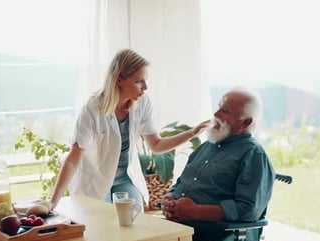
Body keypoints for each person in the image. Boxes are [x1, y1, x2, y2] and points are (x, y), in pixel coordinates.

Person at [49, 49, 209, 210]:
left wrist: (192, 133)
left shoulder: (143, 103)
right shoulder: (92, 108)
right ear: (119, 80)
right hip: (95, 181)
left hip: (126, 180)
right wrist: (53, 202)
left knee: (133, 220)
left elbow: (156, 145)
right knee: (101, 225)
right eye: (139, 81)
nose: (145, 87)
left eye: (145, 80)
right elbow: (73, 158)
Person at [161, 87, 276, 241]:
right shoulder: (207, 146)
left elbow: (248, 209)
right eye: (218, 107)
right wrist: (170, 197)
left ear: (246, 122)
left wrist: (195, 211)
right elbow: (181, 182)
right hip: (180, 231)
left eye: (225, 111)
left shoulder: (253, 155)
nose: (215, 114)